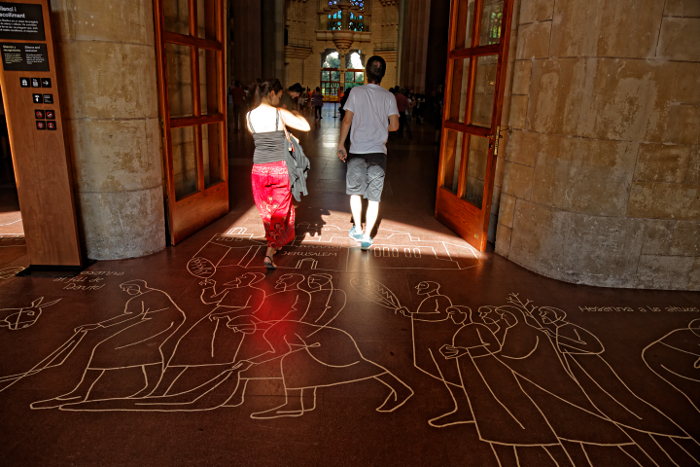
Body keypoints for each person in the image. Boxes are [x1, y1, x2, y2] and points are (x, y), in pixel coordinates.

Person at [336, 56, 399, 250]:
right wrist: (381, 128)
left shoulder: (356, 92)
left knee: (355, 193)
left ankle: (356, 228)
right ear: (383, 74)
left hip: (356, 151)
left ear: (366, 72)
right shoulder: (389, 96)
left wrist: (341, 144)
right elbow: (395, 125)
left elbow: (347, 120)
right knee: (374, 197)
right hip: (378, 154)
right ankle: (367, 237)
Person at [246, 78, 310, 269]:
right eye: (279, 95)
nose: (279, 99)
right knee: (280, 211)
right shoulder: (280, 113)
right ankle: (270, 251)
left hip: (258, 169)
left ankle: (274, 244)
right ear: (272, 93)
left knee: (267, 212)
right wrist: (296, 112)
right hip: (279, 169)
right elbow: (305, 126)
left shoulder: (249, 116)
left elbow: (260, 139)